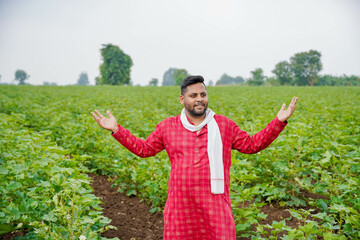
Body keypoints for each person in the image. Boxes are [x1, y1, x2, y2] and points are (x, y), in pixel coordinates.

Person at [91, 75, 298, 240]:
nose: (199, 99)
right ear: (183, 99)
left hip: (215, 204)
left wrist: (278, 122)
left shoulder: (224, 125)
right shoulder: (168, 127)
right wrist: (117, 130)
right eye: (193, 95)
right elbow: (144, 149)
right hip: (181, 207)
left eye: (203, 94)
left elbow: (252, 145)